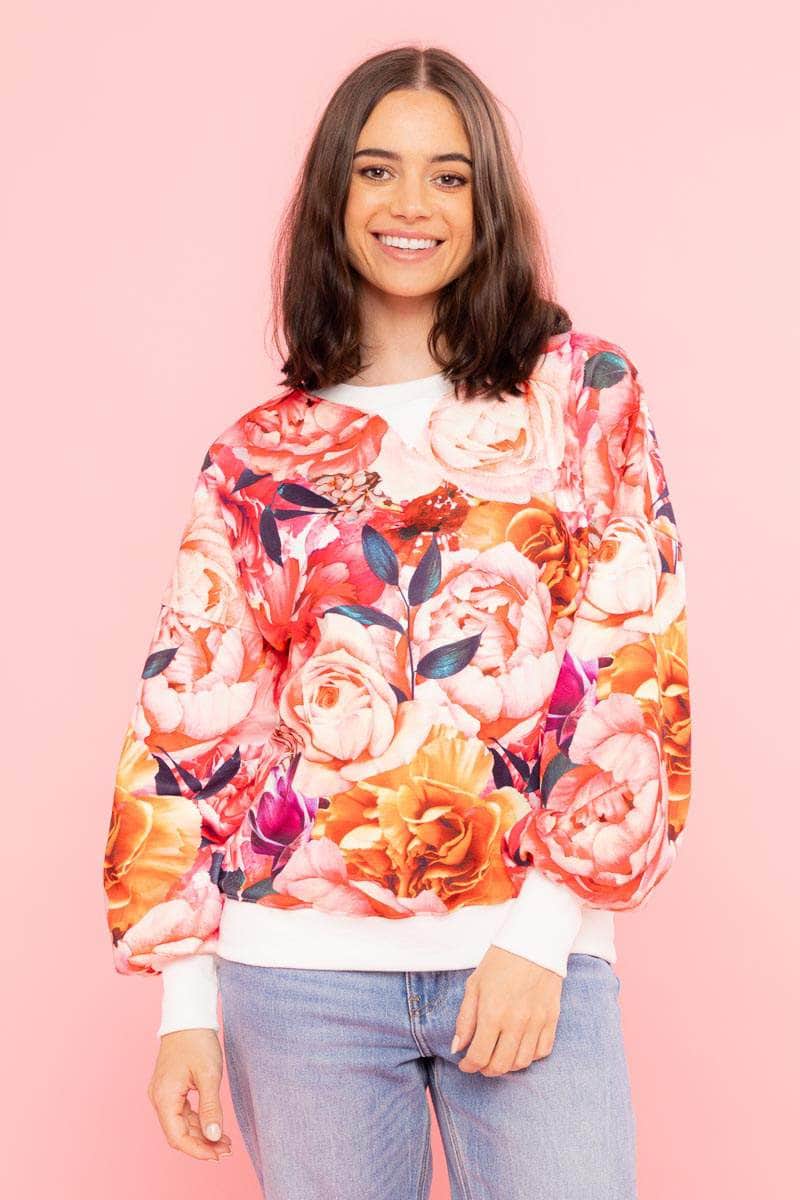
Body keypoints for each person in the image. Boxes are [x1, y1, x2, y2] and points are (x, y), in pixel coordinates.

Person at [102, 44, 691, 1200]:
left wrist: (538, 935)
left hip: (524, 951)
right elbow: (194, 720)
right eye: (376, 170)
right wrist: (186, 1004)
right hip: (294, 979)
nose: (409, 204)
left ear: (487, 200)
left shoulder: (581, 394)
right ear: (335, 194)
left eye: (447, 175)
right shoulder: (255, 455)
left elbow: (631, 662)